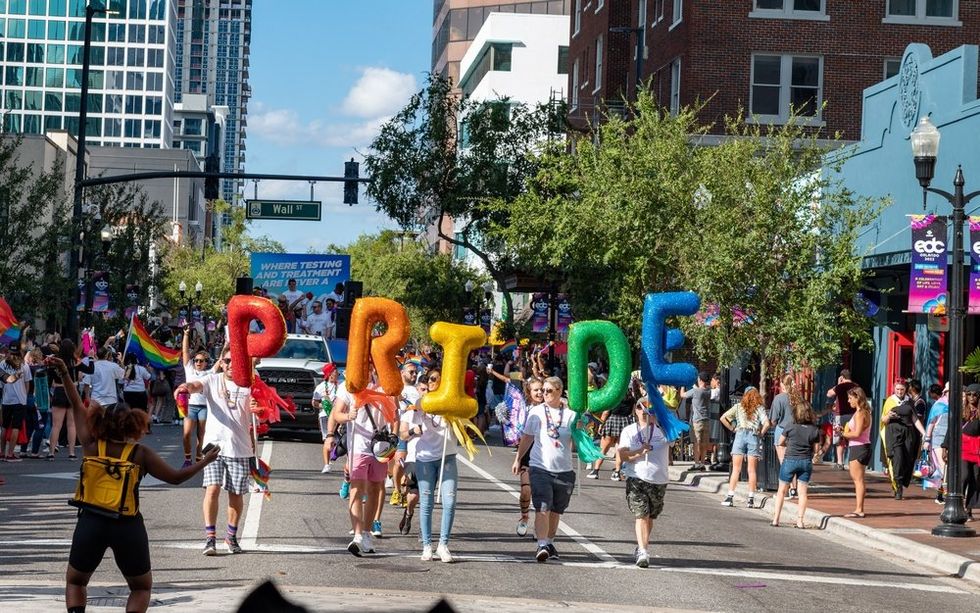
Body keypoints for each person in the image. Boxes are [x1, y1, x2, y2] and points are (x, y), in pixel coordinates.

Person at [52, 355, 218, 613]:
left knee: (75, 581)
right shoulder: (140, 453)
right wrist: (204, 460)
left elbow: (76, 403)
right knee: (140, 587)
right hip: (127, 525)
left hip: (91, 521)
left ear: (101, 422)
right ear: (132, 423)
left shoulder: (91, 446)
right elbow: (176, 478)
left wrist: (64, 371)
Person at [173, 349, 254, 556]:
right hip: (213, 447)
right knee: (212, 489)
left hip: (239, 446)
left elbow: (264, 407)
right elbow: (195, 386)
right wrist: (184, 387)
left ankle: (231, 536)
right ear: (222, 362)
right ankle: (210, 539)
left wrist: (258, 406)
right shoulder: (212, 379)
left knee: (235, 494)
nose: (230, 364)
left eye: (234, 360)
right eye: (226, 360)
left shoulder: (250, 383)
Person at [512, 376, 576, 563]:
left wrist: (583, 428)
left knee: (556, 511)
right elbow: (527, 437)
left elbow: (579, 439)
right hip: (540, 467)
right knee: (542, 507)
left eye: (548, 390)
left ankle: (549, 542)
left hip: (564, 470)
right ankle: (541, 544)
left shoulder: (571, 414)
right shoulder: (537, 412)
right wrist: (518, 458)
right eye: (543, 390)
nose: (544, 393)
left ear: (559, 391)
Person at [400, 367, 459, 562]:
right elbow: (405, 432)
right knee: (426, 502)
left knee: (449, 502)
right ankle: (427, 545)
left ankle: (443, 545)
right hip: (425, 458)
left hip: (447, 456)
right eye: (431, 380)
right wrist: (414, 431)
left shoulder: (451, 401)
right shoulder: (421, 403)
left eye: (437, 379)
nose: (433, 382)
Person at [333, 373, 388, 556]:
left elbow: (394, 413)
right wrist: (349, 415)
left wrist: (395, 436)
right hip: (358, 446)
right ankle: (357, 534)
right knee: (356, 489)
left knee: (375, 489)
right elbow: (336, 414)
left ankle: (366, 533)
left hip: (380, 445)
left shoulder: (385, 383)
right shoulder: (349, 384)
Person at [618, 392, 670, 568]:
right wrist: (639, 451)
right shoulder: (629, 431)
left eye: (648, 407)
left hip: (659, 479)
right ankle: (643, 550)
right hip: (637, 477)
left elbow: (676, 437)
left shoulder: (663, 429)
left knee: (650, 517)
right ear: (635, 410)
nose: (644, 410)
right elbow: (623, 455)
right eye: (640, 407)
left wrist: (663, 418)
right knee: (641, 515)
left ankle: (642, 546)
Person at [771, 401, 821, 528]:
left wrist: (790, 444)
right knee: (802, 493)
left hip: (790, 459)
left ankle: (776, 519)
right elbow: (816, 450)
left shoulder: (790, 426)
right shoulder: (814, 429)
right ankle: (800, 520)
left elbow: (780, 442)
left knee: (782, 490)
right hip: (805, 461)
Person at [720, 387, 770, 508]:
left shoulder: (738, 407)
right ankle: (751, 499)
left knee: (736, 469)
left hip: (740, 434)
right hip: (753, 435)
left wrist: (733, 428)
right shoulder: (759, 408)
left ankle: (730, 497)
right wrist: (761, 433)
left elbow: (723, 418)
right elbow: (767, 423)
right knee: (751, 470)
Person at [48, 340, 94, 460]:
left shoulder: (55, 361)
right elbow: (90, 370)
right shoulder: (76, 362)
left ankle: (51, 453)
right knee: (72, 424)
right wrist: (91, 357)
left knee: (56, 425)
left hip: (58, 390)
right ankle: (72, 453)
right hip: (72, 392)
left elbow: (49, 376)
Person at [882, 379, 926, 500]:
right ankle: (898, 488)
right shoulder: (890, 401)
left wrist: (924, 433)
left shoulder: (909, 401)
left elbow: (915, 419)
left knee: (907, 459)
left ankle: (901, 482)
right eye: (897, 389)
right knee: (898, 459)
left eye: (902, 389)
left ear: (905, 389)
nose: (900, 392)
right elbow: (883, 420)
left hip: (908, 434)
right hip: (894, 433)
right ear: (894, 389)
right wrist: (888, 416)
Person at [591, 377, 638, 480]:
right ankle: (617, 472)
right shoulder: (631, 398)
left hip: (612, 421)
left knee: (603, 449)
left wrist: (600, 425)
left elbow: (606, 412)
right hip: (625, 422)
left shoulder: (614, 396)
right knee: (619, 449)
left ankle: (595, 470)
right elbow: (633, 413)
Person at [181, 328, 212, 468]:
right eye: (196, 360)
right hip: (190, 407)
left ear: (206, 363)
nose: (198, 363)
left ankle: (199, 458)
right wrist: (186, 334)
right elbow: (185, 352)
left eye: (201, 361)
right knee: (186, 434)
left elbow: (223, 361)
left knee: (202, 435)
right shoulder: (189, 369)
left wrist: (227, 344)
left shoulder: (210, 373)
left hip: (204, 408)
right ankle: (188, 459)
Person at [840, 385, 873, 517]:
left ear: (857, 398)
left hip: (859, 447)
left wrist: (844, 434)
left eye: (850, 398)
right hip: (862, 446)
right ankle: (859, 508)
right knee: (858, 479)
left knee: (858, 480)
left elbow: (857, 433)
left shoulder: (860, 413)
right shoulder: (864, 412)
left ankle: (859, 509)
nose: (848, 401)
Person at [0, 343, 32, 461]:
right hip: (19, 400)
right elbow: (27, 384)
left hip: (6, 399)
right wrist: (24, 396)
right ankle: (10, 454)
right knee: (16, 427)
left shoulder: (2, 364)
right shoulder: (24, 365)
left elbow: (2, 384)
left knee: (4, 426)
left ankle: (2, 452)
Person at [769, 374, 798, 496]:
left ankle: (785, 489)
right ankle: (794, 488)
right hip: (796, 431)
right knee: (793, 460)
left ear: (782, 384)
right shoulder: (797, 398)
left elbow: (773, 419)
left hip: (781, 430)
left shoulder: (779, 398)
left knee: (783, 462)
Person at [923, 384, 950, 504]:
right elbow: (931, 423)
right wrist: (927, 439)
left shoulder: (959, 405)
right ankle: (947, 494)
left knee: (946, 467)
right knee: (942, 465)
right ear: (945, 392)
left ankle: (940, 495)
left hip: (952, 438)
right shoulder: (939, 405)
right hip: (939, 438)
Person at [826, 369, 858, 469]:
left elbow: (829, 393)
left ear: (842, 377)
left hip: (840, 415)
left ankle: (840, 462)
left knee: (839, 438)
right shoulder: (856, 386)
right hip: (853, 415)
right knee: (852, 438)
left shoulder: (840, 386)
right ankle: (853, 462)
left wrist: (838, 383)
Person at [312, 363, 340, 474]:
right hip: (325, 416)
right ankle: (327, 464)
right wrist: (323, 405)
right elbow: (314, 402)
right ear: (329, 374)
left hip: (338, 416)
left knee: (340, 439)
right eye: (335, 371)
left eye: (337, 371)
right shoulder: (321, 387)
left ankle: (335, 453)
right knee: (327, 439)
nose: (337, 373)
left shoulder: (341, 385)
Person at [681, 372, 712, 470]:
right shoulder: (708, 391)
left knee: (696, 443)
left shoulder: (695, 391)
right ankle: (702, 463)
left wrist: (682, 385)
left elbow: (682, 395)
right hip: (706, 420)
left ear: (700, 380)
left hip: (696, 421)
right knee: (704, 443)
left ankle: (696, 463)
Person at [89, 348, 125, 412]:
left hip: (96, 400)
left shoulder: (92, 366)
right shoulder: (113, 366)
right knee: (109, 421)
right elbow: (123, 374)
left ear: (97, 355)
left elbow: (86, 381)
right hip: (110, 400)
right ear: (106, 355)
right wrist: (120, 361)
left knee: (96, 421)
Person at [121, 355, 152, 421]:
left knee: (129, 410)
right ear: (136, 360)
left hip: (128, 392)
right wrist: (148, 369)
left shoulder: (126, 368)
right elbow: (148, 377)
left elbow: (121, 381)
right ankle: (142, 424)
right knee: (141, 410)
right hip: (140, 391)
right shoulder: (141, 369)